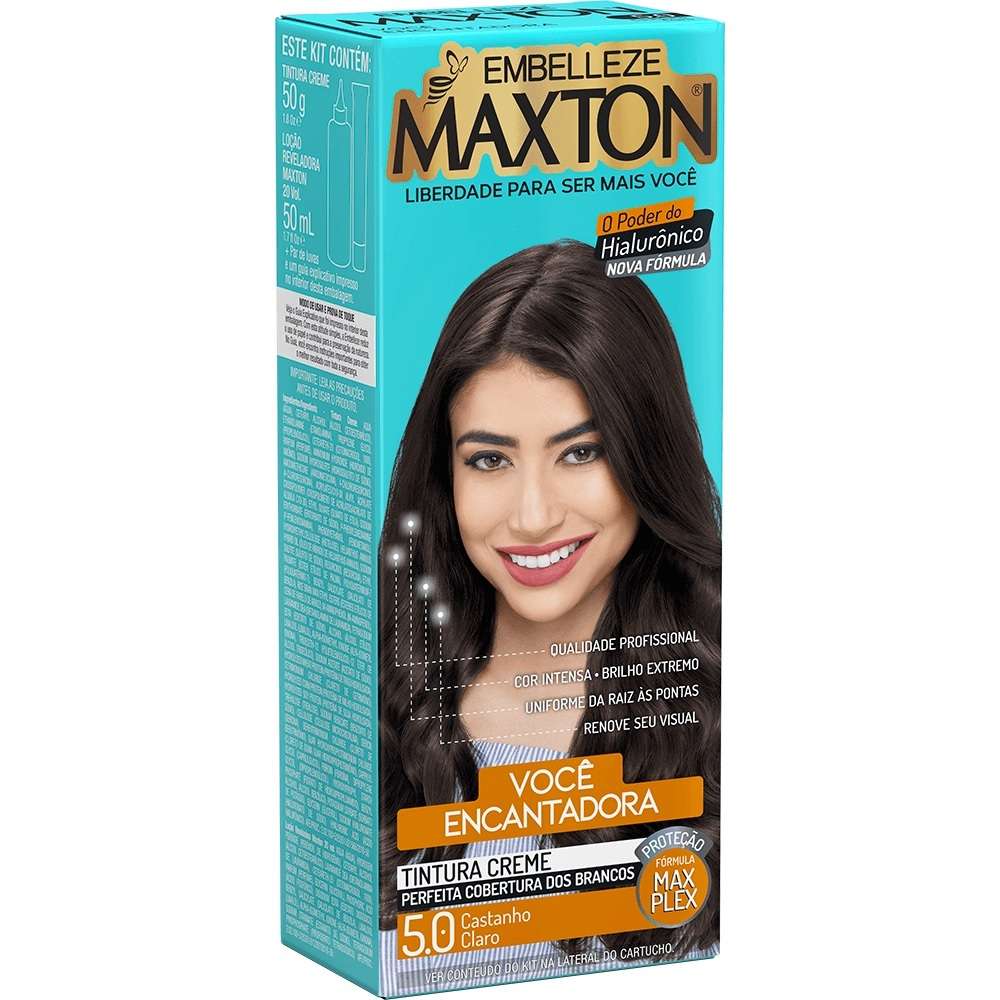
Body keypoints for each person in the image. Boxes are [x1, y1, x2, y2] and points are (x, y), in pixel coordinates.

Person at [378, 241, 720, 985]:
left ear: (647, 457)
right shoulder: (376, 707)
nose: (533, 517)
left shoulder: (721, 710)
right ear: (444, 475)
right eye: (489, 460)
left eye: (580, 453)